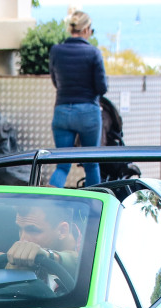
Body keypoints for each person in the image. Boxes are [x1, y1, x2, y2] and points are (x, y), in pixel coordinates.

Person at [49, 9, 108, 189]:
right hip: (88, 113)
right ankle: (94, 210)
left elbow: (55, 81)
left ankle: (46, 205)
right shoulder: (93, 53)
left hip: (62, 111)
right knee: (91, 165)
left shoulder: (56, 51)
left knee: (62, 165)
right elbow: (102, 88)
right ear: (86, 29)